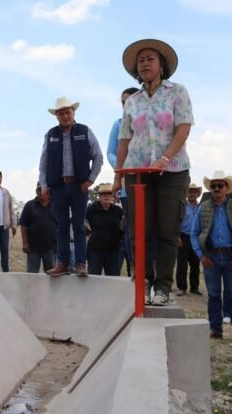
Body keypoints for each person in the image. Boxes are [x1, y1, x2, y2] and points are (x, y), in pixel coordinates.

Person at [114, 39, 193, 306]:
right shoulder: (132, 101)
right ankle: (143, 279)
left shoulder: (177, 92)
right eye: (141, 60)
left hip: (172, 171)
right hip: (137, 172)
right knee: (140, 229)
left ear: (162, 65)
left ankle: (162, 286)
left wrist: (164, 158)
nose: (145, 63)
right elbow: (124, 140)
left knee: (168, 230)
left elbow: (183, 128)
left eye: (150, 59)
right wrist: (117, 177)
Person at [39, 97, 103, 277]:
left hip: (79, 186)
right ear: (56, 116)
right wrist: (44, 185)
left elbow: (98, 157)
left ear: (73, 113)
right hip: (58, 187)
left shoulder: (85, 131)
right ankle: (63, 263)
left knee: (79, 226)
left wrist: (90, 180)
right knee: (61, 226)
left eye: (67, 112)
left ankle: (81, 263)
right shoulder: (50, 134)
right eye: (61, 113)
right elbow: (43, 163)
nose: (65, 116)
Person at [190, 171, 232, 342]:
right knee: (214, 294)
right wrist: (201, 256)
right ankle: (215, 328)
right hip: (211, 257)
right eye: (214, 186)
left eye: (220, 185)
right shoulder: (203, 208)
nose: (217, 188)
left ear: (227, 188)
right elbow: (193, 234)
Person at [107, 87, 140, 277]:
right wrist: (122, 168)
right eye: (123, 102)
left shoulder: (148, 124)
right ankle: (134, 268)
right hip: (128, 184)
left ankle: (151, 272)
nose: (126, 105)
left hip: (150, 182)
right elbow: (111, 151)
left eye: (130, 101)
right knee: (131, 229)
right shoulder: (118, 124)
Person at [86, 183, 124, 276]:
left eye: (109, 194)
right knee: (93, 276)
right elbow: (80, 221)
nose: (106, 196)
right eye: (103, 194)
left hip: (113, 250)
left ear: (112, 196)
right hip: (95, 249)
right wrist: (87, 232)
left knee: (113, 277)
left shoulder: (118, 210)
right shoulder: (92, 208)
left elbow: (123, 225)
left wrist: (121, 236)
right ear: (99, 196)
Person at [19, 183, 57, 273]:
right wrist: (25, 243)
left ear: (48, 191)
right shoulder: (29, 205)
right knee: (31, 275)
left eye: (43, 189)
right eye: (39, 190)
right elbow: (23, 225)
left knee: (51, 275)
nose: (41, 192)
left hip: (50, 247)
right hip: (33, 248)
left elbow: (60, 226)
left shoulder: (56, 205)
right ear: (36, 191)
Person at [176, 183, 203, 296]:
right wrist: (177, 236)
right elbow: (176, 221)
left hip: (196, 237)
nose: (192, 194)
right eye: (190, 191)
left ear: (198, 194)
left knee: (195, 263)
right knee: (182, 263)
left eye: (194, 192)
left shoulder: (201, 207)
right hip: (183, 236)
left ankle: (194, 287)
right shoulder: (182, 206)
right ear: (187, 193)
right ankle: (181, 287)